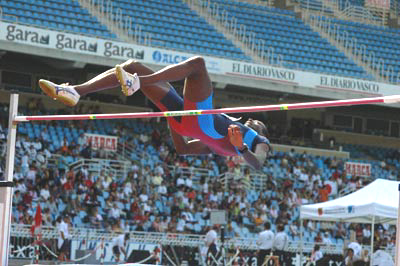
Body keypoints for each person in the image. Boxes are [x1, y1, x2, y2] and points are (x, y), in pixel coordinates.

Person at [39, 57, 270, 169]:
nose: (253, 121)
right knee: (132, 65)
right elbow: (183, 149)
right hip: (183, 119)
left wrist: (242, 147)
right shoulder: (225, 136)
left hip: (196, 121)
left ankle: (137, 83)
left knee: (198, 65)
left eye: (256, 122)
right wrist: (173, 120)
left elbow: (258, 163)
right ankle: (75, 91)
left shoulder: (257, 139)